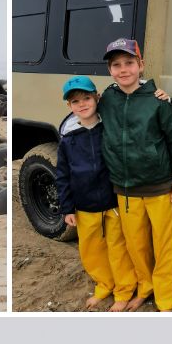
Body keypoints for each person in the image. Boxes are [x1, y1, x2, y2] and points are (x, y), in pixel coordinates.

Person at [97, 37, 172, 312]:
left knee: (165, 246)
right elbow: (84, 109)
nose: (123, 69)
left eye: (129, 63)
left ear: (141, 65)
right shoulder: (107, 99)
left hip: (160, 187)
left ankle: (165, 298)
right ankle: (144, 287)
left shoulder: (158, 101)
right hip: (125, 189)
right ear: (110, 70)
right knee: (136, 246)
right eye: (116, 65)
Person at [55, 75, 137, 312]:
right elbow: (62, 176)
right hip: (84, 206)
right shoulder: (68, 141)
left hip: (112, 202)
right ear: (69, 107)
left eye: (87, 98)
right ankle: (104, 284)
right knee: (91, 251)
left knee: (119, 249)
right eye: (75, 101)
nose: (82, 104)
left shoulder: (109, 129)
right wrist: (67, 207)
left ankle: (123, 291)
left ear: (97, 98)